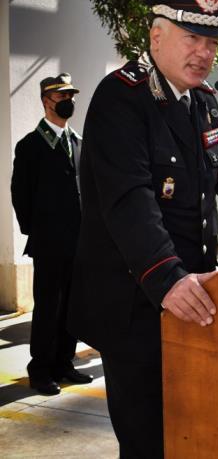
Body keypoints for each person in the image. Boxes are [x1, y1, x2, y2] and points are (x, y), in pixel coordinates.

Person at [67, 0, 218, 457]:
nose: (204, 53)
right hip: (139, 303)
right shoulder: (120, 98)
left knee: (190, 432)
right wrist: (167, 277)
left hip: (193, 298)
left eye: (211, 41)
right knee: (149, 439)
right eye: (192, 37)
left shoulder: (203, 103)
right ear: (156, 36)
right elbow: (129, 199)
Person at [10, 73, 92, 396]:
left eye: (71, 95)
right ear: (47, 101)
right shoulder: (30, 146)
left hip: (79, 242)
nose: (68, 101)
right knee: (48, 307)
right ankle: (41, 369)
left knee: (73, 306)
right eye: (62, 96)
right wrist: (38, 230)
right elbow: (21, 195)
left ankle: (64, 363)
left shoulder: (79, 142)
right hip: (49, 243)